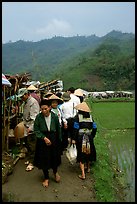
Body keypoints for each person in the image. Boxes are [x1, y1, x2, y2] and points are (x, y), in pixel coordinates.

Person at [33, 99, 62, 188]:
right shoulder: (38, 117)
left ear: (49, 108)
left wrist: (59, 141)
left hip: (53, 138)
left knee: (54, 157)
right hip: (43, 138)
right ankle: (46, 178)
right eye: (42, 109)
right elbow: (36, 130)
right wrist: (44, 138)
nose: (43, 111)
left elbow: (58, 130)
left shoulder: (54, 117)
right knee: (44, 159)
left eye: (45, 109)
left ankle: (55, 172)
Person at [16, 88, 40, 170]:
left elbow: (35, 117)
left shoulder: (33, 102)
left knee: (32, 145)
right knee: (28, 144)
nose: (21, 98)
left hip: (31, 126)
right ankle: (30, 159)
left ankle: (32, 162)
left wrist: (31, 128)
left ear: (26, 94)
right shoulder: (26, 102)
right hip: (27, 125)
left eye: (22, 96)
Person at [72, 101, 97, 180]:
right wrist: (92, 135)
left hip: (80, 137)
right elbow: (95, 127)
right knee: (88, 151)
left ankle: (83, 174)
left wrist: (73, 138)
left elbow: (75, 129)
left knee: (81, 153)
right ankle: (88, 168)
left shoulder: (77, 117)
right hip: (89, 136)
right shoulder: (90, 117)